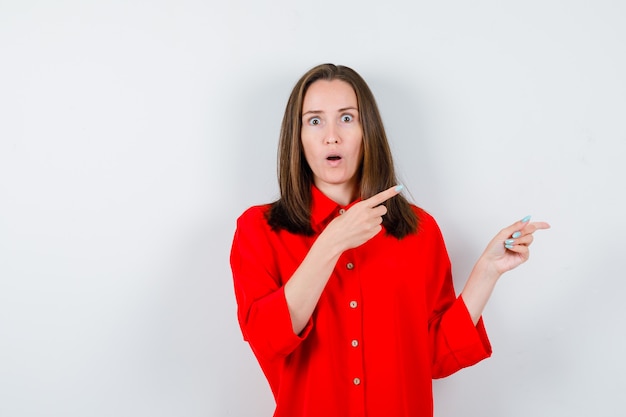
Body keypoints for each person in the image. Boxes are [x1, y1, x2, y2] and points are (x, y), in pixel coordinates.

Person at [230, 63, 550, 417]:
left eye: (347, 118)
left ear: (369, 130)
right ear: (298, 135)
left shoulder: (419, 229)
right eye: (315, 120)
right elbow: (266, 338)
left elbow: (434, 356)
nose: (331, 136)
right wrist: (331, 242)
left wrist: (487, 271)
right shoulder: (258, 229)